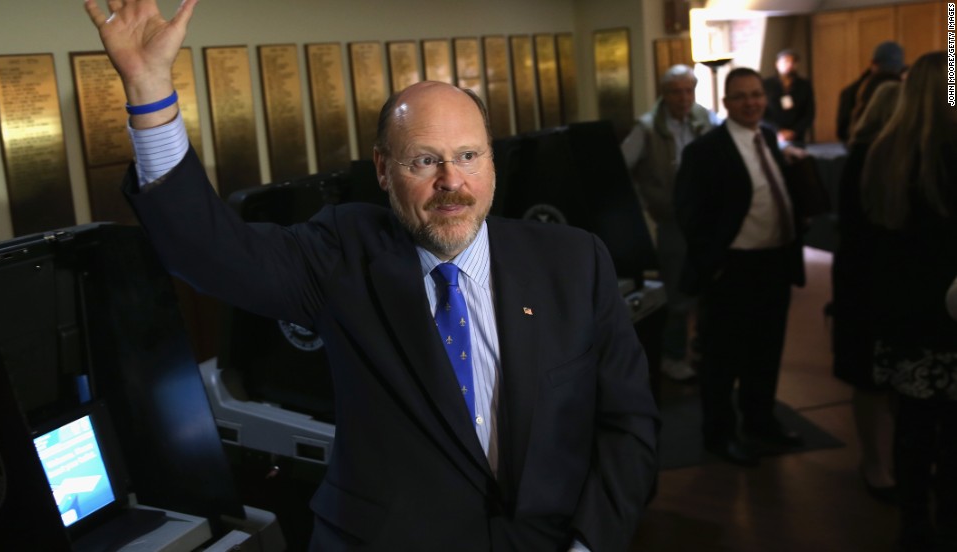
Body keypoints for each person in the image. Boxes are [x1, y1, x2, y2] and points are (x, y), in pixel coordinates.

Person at [83, 0, 660, 550]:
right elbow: (207, 253)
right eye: (424, 160)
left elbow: (627, 422)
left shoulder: (573, 262)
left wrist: (588, 544)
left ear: (492, 160)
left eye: (468, 156)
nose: (451, 182)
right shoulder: (343, 253)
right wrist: (149, 88)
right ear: (384, 169)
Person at [674, 67, 807, 467]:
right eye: (741, 96)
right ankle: (720, 433)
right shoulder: (705, 151)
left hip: (774, 262)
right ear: (727, 104)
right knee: (722, 357)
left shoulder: (767, 136)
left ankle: (761, 420)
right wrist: (712, 265)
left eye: (756, 94)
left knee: (767, 351)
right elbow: (690, 214)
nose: (751, 102)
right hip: (732, 268)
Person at [860, 51, 957, 552]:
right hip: (947, 315)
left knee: (913, 425)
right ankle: (948, 518)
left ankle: (914, 521)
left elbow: (871, 242)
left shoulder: (883, 151)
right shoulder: (950, 152)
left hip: (902, 314)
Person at [620, 64, 718, 383]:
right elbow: (621, 168)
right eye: (677, 91)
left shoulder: (706, 119)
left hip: (705, 220)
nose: (684, 97)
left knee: (710, 290)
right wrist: (645, 201)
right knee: (677, 294)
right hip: (673, 221)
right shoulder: (648, 127)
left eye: (689, 90)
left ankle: (703, 351)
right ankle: (672, 357)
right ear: (664, 95)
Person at [831, 82, 901, 503]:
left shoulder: (877, 156)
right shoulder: (866, 158)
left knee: (882, 379)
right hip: (866, 284)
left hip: (870, 281)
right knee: (870, 378)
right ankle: (875, 462)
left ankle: (883, 460)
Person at [835, 41, 905, 143]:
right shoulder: (905, 89)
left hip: (859, 150)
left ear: (873, 63)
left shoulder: (850, 91)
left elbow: (842, 131)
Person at [763, 49, 815, 147]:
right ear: (777, 64)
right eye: (786, 61)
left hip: (797, 136)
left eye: (793, 62)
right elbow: (761, 114)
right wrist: (778, 131)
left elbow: (809, 113)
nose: (790, 65)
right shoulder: (766, 85)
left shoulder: (804, 85)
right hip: (772, 134)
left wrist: (794, 131)